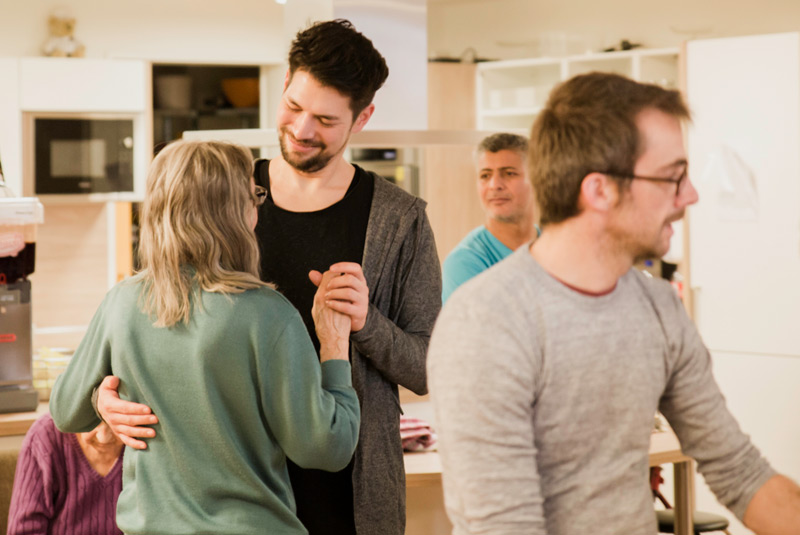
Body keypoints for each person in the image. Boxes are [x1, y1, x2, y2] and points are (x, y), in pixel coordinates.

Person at [95, 19, 441, 535]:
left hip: (349, 497)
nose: (303, 130)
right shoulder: (220, 193)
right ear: (284, 84)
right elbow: (146, 315)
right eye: (296, 107)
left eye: (325, 119)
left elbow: (432, 369)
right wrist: (106, 398)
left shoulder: (401, 219)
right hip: (222, 503)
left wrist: (367, 322)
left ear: (363, 117)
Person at [427, 72, 800, 534]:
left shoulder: (658, 305)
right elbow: (507, 526)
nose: (691, 195)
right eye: (673, 177)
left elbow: (740, 472)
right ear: (599, 189)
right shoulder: (485, 321)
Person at [48, 139, 360, 535]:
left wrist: (101, 397)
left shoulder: (123, 302)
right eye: (254, 196)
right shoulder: (268, 314)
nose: (257, 207)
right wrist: (334, 348)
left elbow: (65, 410)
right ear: (233, 214)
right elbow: (326, 447)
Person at [441, 132, 537, 302]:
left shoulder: (554, 245)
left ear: (537, 178)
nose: (494, 185)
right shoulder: (465, 262)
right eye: (485, 175)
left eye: (509, 173)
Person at [7, 416, 124, 535]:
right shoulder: (45, 436)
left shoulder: (142, 440)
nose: (103, 437)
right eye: (92, 420)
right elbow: (24, 531)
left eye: (116, 422)